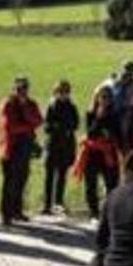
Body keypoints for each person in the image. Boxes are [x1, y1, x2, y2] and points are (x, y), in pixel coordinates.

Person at [0, 77, 43, 225]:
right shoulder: (7, 104)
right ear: (14, 89)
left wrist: (25, 111)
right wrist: (28, 127)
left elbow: (39, 120)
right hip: (10, 148)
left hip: (24, 148)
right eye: (18, 89)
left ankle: (17, 211)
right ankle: (6, 214)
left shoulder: (31, 104)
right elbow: (9, 127)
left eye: (24, 89)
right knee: (9, 182)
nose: (21, 92)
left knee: (22, 180)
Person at [74, 86, 121, 220]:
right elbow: (90, 133)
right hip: (92, 153)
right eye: (103, 96)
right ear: (97, 98)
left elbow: (118, 134)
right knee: (90, 184)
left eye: (108, 97)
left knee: (112, 183)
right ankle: (93, 211)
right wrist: (99, 118)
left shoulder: (115, 114)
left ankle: (110, 211)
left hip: (108, 152)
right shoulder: (90, 113)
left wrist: (108, 134)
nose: (105, 100)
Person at [42, 80, 79, 215]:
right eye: (60, 92)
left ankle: (58, 202)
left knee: (62, 175)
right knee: (49, 176)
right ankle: (47, 204)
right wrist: (60, 127)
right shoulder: (51, 106)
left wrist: (62, 127)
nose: (63, 94)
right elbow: (46, 127)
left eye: (66, 92)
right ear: (55, 92)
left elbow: (76, 124)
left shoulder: (72, 107)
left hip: (66, 146)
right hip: (52, 145)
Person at [108, 61, 133, 150]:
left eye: (131, 72)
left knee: (124, 136)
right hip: (112, 112)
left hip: (127, 114)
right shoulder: (113, 82)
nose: (128, 73)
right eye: (126, 70)